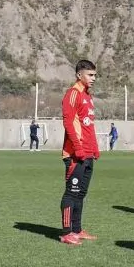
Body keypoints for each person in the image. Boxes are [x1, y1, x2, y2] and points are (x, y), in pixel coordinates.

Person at [59, 60, 99, 245]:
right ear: (79, 75)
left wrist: (95, 149)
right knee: (71, 193)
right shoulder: (72, 94)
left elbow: (89, 126)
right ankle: (67, 232)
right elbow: (68, 124)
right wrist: (78, 148)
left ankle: (77, 229)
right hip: (76, 154)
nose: (93, 78)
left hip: (89, 153)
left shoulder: (88, 96)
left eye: (95, 75)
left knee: (81, 194)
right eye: (90, 75)